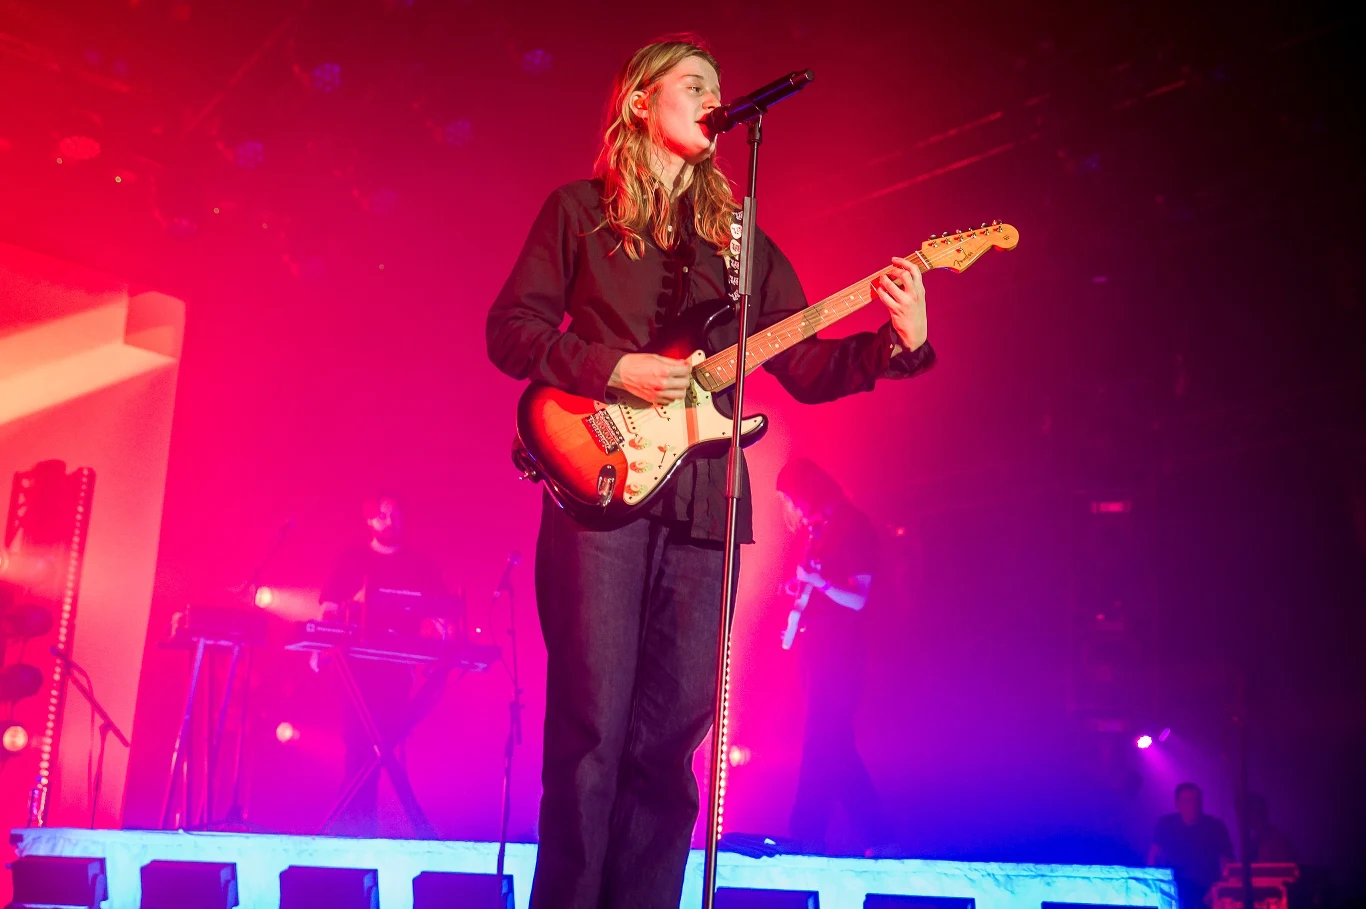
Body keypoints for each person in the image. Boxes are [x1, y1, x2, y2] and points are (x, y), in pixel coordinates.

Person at [486, 35, 936, 909]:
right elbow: (511, 331)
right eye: (694, 84)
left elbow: (805, 367)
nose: (713, 98)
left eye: (718, 89)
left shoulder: (743, 244)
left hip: (705, 504)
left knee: (671, 743)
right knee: (592, 732)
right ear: (640, 101)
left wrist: (897, 341)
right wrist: (611, 370)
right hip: (602, 494)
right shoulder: (579, 211)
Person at [775, 458, 895, 855]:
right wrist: (798, 596)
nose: (786, 512)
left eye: (788, 501)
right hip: (819, 652)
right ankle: (872, 835)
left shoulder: (854, 526)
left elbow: (858, 598)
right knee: (832, 744)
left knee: (824, 742)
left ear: (803, 495)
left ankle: (809, 832)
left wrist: (818, 583)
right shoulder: (820, 532)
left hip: (841, 656)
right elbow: (817, 589)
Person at [318, 492, 448, 837]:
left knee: (384, 742)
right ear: (369, 521)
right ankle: (355, 827)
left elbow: (441, 612)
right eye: (382, 516)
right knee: (358, 742)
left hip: (396, 668)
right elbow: (328, 610)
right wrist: (352, 604)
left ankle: (358, 828)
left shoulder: (420, 564)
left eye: (395, 515)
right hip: (355, 667)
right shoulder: (352, 559)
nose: (390, 522)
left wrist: (445, 632)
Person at [1148, 782, 1236, 909]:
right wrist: (1155, 886)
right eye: (1188, 801)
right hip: (1174, 888)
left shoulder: (1215, 826)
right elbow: (1154, 856)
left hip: (1206, 891)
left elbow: (1228, 864)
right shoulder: (1166, 825)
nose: (1194, 805)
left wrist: (1218, 890)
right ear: (1177, 805)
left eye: (1197, 801)